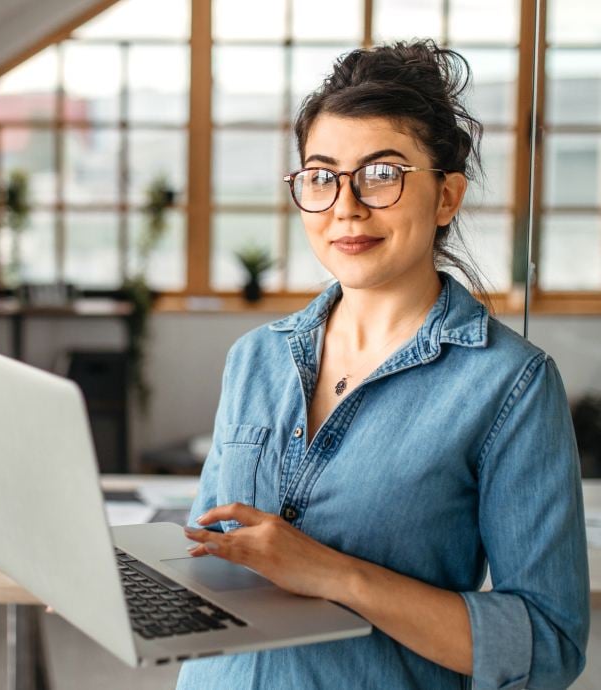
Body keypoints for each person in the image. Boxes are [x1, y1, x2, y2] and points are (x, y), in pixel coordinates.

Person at [179, 40, 590, 690]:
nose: (345, 205)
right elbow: (210, 544)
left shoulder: (509, 386)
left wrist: (334, 573)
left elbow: (549, 642)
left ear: (447, 198)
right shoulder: (255, 358)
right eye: (321, 175)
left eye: (382, 173)